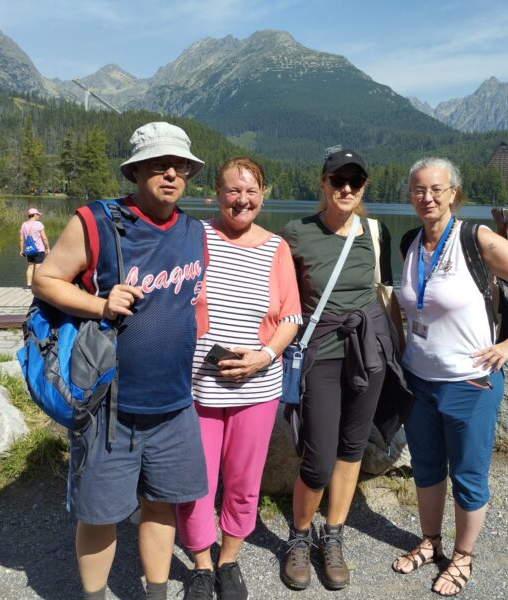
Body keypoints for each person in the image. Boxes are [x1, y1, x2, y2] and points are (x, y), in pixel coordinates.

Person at [32, 122, 209, 600]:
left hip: (174, 403)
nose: (170, 173)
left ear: (190, 173)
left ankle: (155, 594)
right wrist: (100, 305)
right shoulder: (97, 220)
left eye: (179, 166)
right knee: (99, 513)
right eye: (157, 164)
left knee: (161, 505)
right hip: (108, 405)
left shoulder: (194, 231)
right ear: (135, 172)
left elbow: (195, 300)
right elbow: (46, 279)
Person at [392, 157, 508, 596]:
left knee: (468, 473)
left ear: (454, 194)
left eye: (437, 189)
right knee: (425, 467)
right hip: (418, 379)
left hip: (470, 380)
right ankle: (429, 541)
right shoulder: (409, 242)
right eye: (419, 190)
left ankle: (463, 556)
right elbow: (402, 302)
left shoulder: (476, 238)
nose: (428, 197)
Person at [280, 148, 412, 591]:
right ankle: (299, 538)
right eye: (338, 180)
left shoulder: (375, 232)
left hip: (369, 350)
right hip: (320, 351)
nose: (346, 189)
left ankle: (332, 535)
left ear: (364, 186)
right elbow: (280, 300)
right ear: (323, 183)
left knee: (352, 447)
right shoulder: (296, 233)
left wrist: (399, 347)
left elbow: (386, 294)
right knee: (316, 459)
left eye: (355, 181)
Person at [175, 157, 302, 600]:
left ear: (262, 195)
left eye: (250, 191)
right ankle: (201, 564)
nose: (241, 199)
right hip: (197, 387)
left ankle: (229, 560)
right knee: (197, 483)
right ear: (216, 194)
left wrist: (264, 357)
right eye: (232, 190)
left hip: (258, 389)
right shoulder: (195, 236)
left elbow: (290, 317)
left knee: (245, 482)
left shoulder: (276, 248)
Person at [19, 207, 49, 289]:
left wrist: (21, 250)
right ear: (34, 215)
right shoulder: (39, 224)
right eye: (38, 214)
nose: (39, 216)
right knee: (38, 267)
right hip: (39, 249)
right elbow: (44, 238)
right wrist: (48, 248)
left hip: (29, 249)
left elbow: (21, 239)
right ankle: (36, 285)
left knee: (30, 266)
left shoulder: (24, 224)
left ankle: (29, 285)